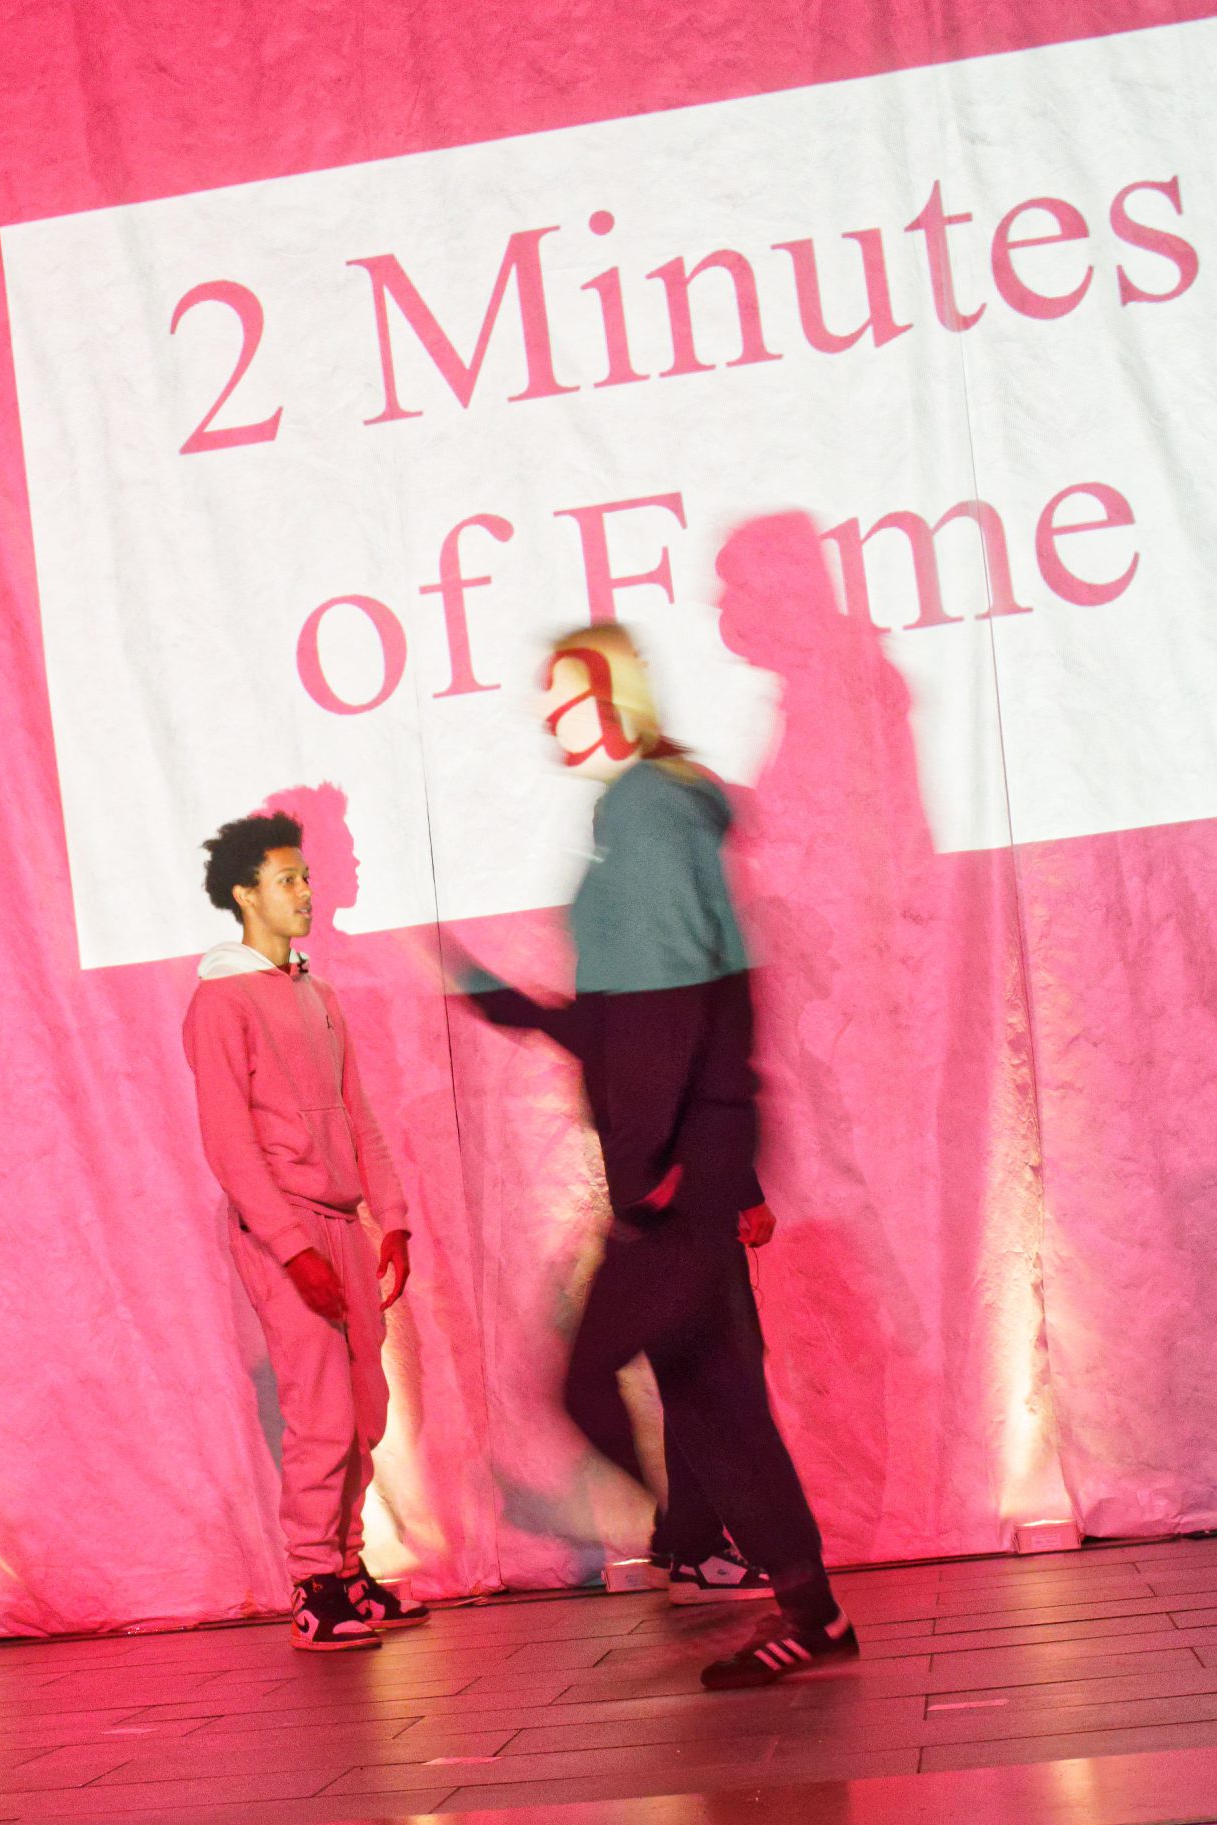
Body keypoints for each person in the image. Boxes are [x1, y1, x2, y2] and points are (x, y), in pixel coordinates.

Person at [449, 625, 856, 1687]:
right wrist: (504, 1000)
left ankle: (697, 1541)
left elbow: (676, 1010)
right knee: (715, 1396)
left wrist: (664, 1164)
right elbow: (638, 1014)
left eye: (563, 694)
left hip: (674, 1179)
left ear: (610, 695)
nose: (548, 716)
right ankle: (802, 1604)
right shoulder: (642, 810)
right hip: (685, 1167)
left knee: (601, 1376)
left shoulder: (644, 809)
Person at [184, 812, 425, 1651]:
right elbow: (229, 1141)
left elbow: (357, 1113)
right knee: (320, 1407)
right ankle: (314, 1584)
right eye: (286, 879)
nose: (305, 892)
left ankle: (348, 1569)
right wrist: (291, 1248)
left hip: (342, 1223)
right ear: (245, 893)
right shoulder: (221, 1000)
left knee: (364, 1406)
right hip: (281, 1229)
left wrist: (393, 1218)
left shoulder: (317, 995)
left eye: (307, 877)